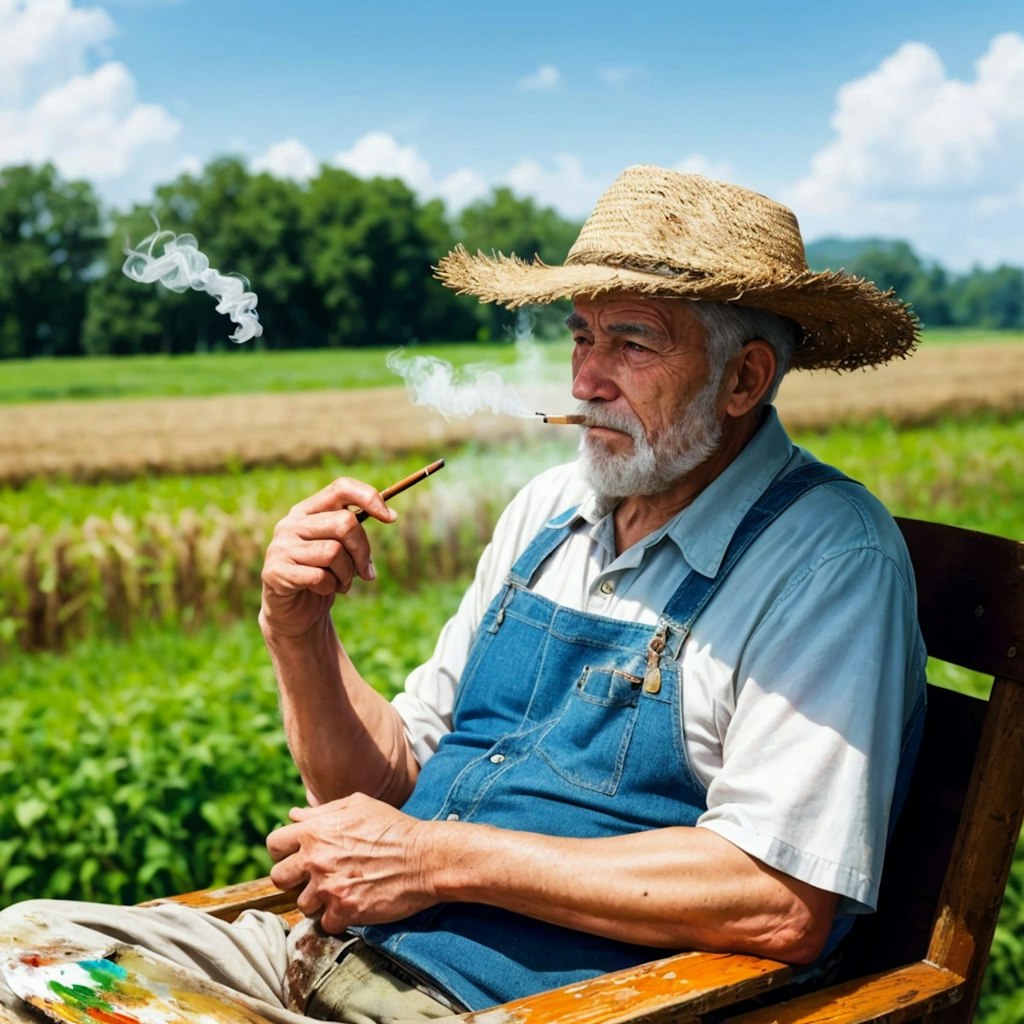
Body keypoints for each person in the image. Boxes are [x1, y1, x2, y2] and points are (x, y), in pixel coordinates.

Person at [0, 166, 927, 1024]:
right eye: (579, 335)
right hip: (318, 961)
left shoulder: (827, 560)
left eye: (632, 341)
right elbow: (383, 783)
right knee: (21, 948)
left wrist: (435, 858)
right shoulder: (550, 510)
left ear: (745, 379)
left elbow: (778, 900)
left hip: (498, 1004)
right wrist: (299, 631)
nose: (584, 379)